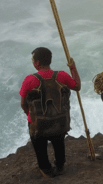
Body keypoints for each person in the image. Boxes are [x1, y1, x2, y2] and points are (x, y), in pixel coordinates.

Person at [19, 47, 81, 178]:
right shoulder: (62, 75)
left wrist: (29, 116)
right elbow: (77, 86)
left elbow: (23, 104)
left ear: (37, 63)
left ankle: (46, 169)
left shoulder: (29, 80)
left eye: (33, 60)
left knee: (40, 146)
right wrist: (73, 68)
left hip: (38, 124)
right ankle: (60, 165)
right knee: (59, 143)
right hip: (59, 121)